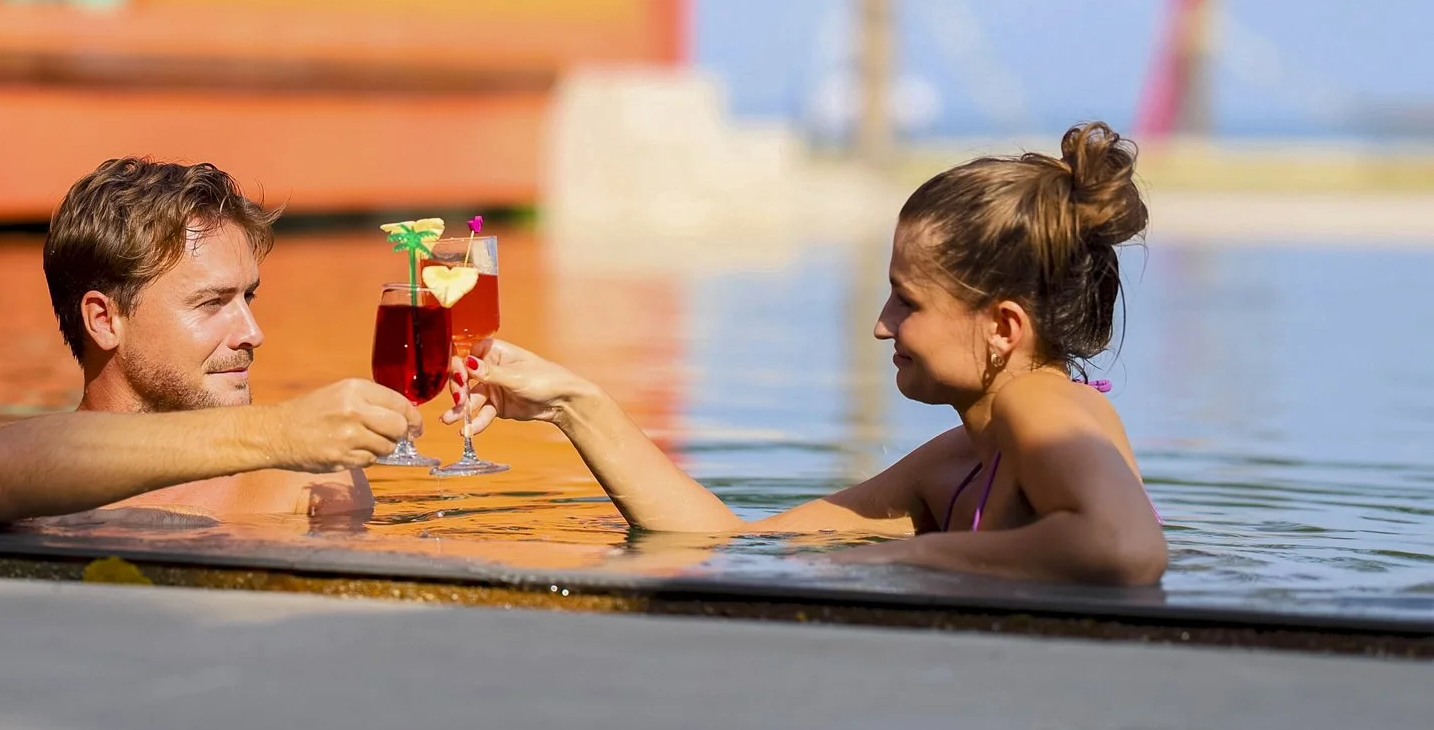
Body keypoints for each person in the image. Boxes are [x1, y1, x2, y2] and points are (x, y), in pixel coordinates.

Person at [448, 122, 1168, 586]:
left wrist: (910, 556)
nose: (883, 327)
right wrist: (576, 405)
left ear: (1004, 327)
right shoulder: (958, 462)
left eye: (907, 302)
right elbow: (730, 542)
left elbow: (1123, 548)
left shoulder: (1047, 405)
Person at [0, 159, 417, 526]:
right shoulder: (4, 468)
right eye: (211, 303)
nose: (252, 333)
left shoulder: (301, 486)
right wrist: (279, 432)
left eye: (248, 298)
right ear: (104, 320)